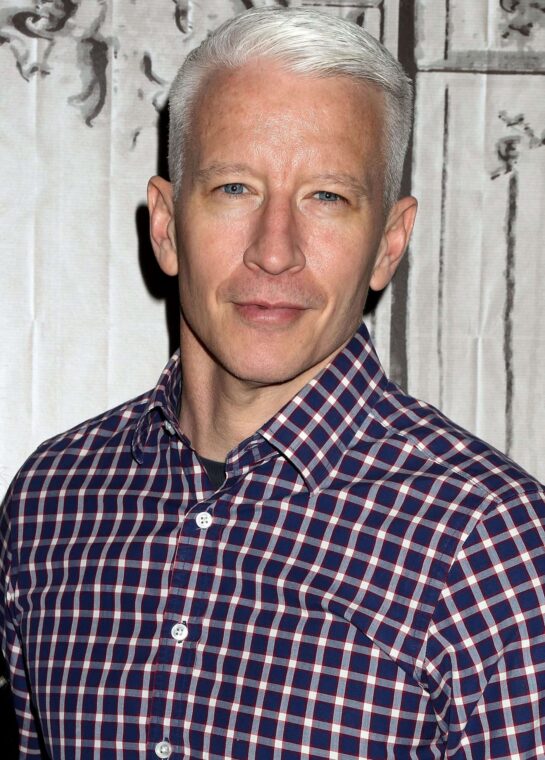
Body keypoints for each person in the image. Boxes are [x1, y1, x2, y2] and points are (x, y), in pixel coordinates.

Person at [1, 7, 544, 759]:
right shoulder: (50, 501)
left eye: (326, 197)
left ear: (388, 245)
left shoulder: (485, 538)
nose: (275, 251)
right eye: (233, 188)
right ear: (164, 225)